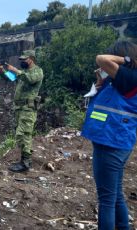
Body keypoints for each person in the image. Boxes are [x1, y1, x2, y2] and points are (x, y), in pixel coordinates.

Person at [82, 40, 137, 230]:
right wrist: (101, 82)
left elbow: (101, 59)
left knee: (106, 200)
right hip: (118, 141)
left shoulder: (129, 76)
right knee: (115, 195)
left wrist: (125, 60)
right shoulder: (124, 79)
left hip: (111, 142)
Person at [0, 50, 44, 172]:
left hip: (28, 109)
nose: (22, 61)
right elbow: (12, 78)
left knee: (23, 134)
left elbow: (30, 79)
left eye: (24, 59)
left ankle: (26, 163)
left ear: (31, 59)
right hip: (19, 109)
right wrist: (3, 71)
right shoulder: (23, 73)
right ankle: (24, 159)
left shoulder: (37, 71)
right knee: (21, 135)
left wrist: (15, 70)